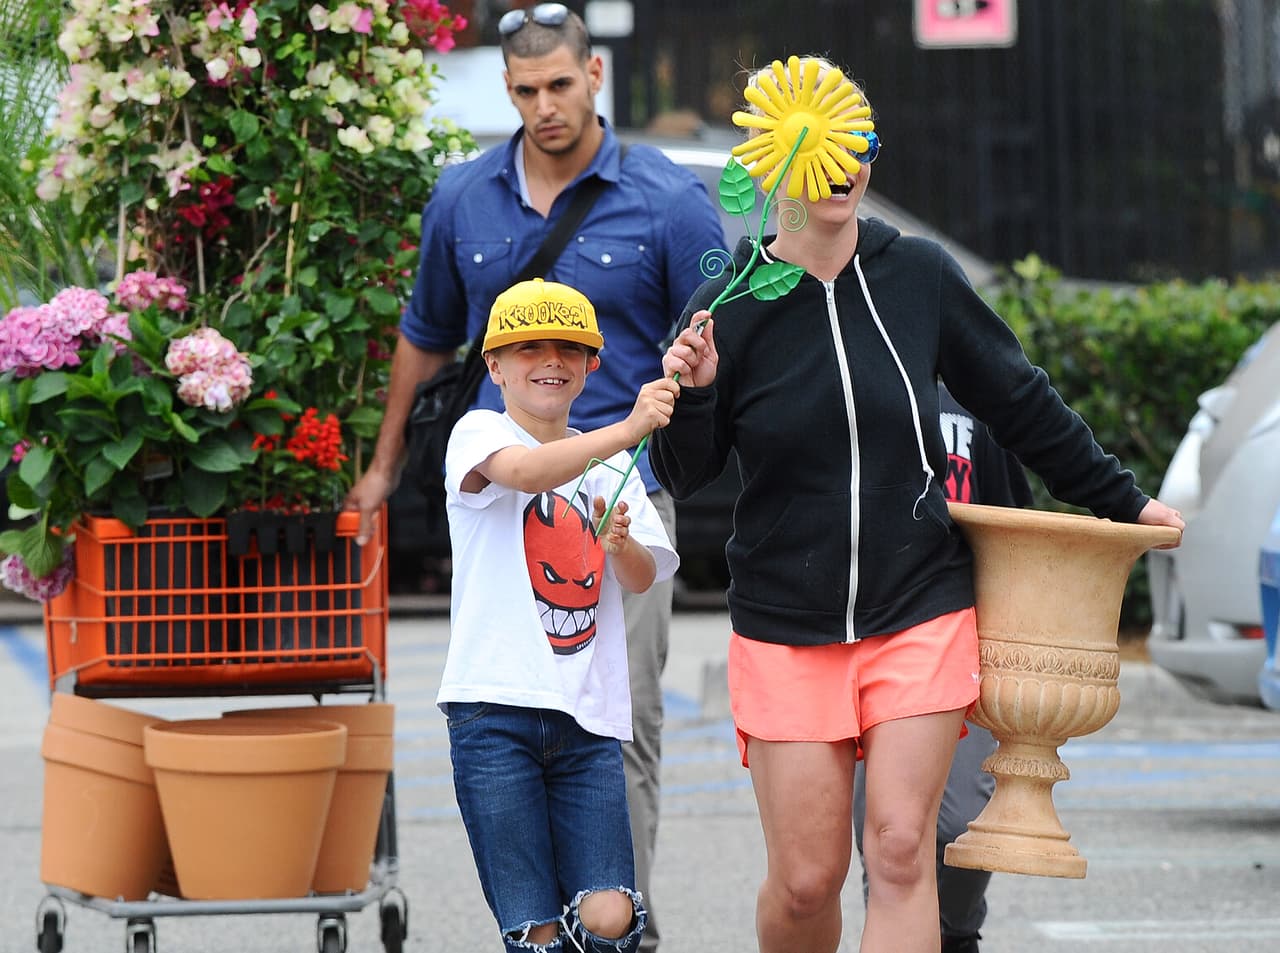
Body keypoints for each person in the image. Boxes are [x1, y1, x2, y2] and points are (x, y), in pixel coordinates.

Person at [651, 54, 1185, 953]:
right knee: (806, 879)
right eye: (822, 151)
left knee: (902, 849)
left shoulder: (921, 277)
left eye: (859, 145)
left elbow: (1021, 401)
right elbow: (684, 468)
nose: (845, 167)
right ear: (776, 163)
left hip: (919, 607)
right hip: (784, 623)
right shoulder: (730, 303)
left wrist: (1124, 503)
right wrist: (695, 390)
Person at [343, 7, 725, 948]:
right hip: (502, 491)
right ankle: (553, 920)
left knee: (619, 718)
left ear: (595, 74)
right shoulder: (464, 196)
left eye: (560, 84)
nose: (545, 106)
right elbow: (425, 338)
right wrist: (383, 467)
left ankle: (620, 922)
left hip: (618, 490)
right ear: (507, 93)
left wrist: (684, 420)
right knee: (516, 703)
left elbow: (718, 341)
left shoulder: (668, 197)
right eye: (524, 92)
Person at [440, 277, 680, 952]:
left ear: (590, 364)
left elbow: (639, 577)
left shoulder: (613, 467)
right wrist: (628, 428)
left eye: (568, 349)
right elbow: (523, 473)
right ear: (494, 366)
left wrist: (622, 540)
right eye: (529, 348)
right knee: (535, 930)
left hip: (587, 718)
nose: (551, 360)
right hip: (492, 713)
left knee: (611, 916)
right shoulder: (478, 432)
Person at [852, 382, 1034, 953]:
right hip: (867, 634)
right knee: (885, 833)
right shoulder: (852, 375)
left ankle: (956, 930)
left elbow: (1015, 524)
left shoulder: (976, 397)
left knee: (960, 826)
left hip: (963, 632)